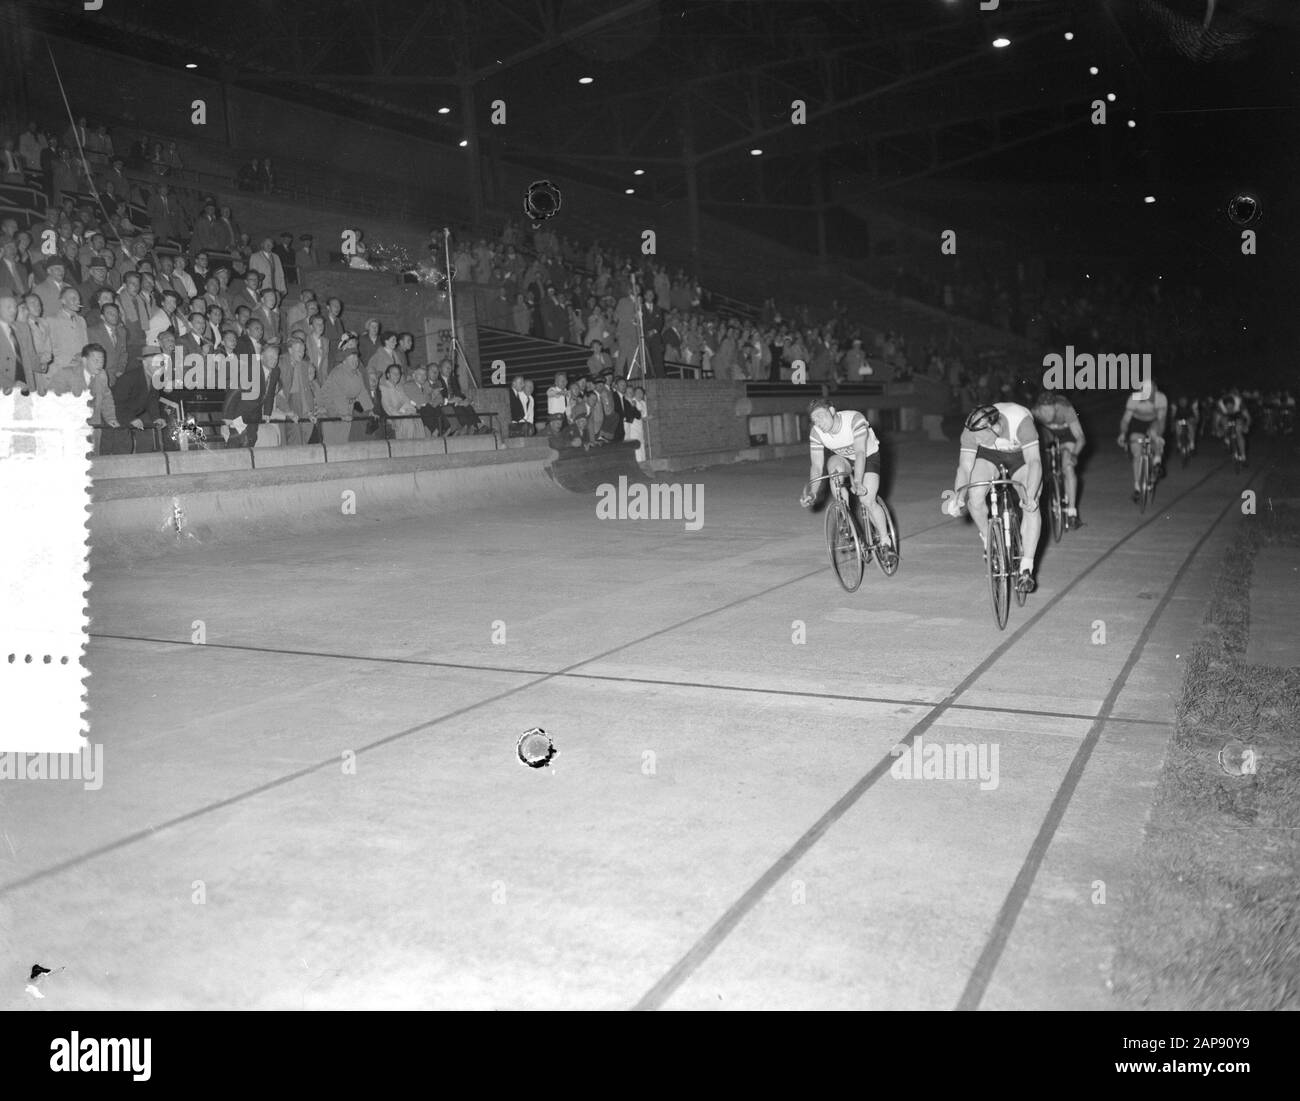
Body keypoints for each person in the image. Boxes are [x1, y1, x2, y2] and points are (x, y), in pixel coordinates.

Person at [942, 401, 1041, 594]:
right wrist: (958, 495)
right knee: (975, 496)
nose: (975, 440)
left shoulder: (1021, 422)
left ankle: (1026, 567)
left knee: (1031, 504)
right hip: (990, 455)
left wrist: (1030, 496)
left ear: (995, 427)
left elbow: (1035, 462)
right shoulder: (973, 427)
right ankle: (989, 540)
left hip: (1021, 456)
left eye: (980, 436)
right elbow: (964, 467)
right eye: (974, 437)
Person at [800, 397, 894, 556]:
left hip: (868, 457)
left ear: (831, 411)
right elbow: (816, 465)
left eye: (821, 417)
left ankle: (885, 541)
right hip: (843, 459)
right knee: (834, 470)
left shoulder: (854, 420)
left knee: (867, 500)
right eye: (815, 420)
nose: (819, 423)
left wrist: (857, 482)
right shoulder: (816, 433)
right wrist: (813, 492)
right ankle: (845, 516)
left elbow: (860, 453)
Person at [1026, 380, 1085, 530]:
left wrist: (1074, 455)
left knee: (1068, 467)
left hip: (1067, 436)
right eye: (1044, 412)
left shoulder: (1065, 409)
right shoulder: (1034, 413)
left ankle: (1072, 513)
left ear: (1056, 407)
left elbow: (1080, 437)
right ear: (1039, 409)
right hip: (1048, 434)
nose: (1047, 415)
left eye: (1051, 411)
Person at [1117, 379, 1169, 500]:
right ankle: (1137, 487)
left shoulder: (1161, 398)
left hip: (1154, 422)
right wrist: (1123, 434)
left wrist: (1159, 437)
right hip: (1137, 424)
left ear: (1155, 390)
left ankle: (1157, 462)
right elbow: (1125, 420)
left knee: (1154, 434)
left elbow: (1161, 421)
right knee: (1137, 454)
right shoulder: (1134, 398)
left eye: (1151, 391)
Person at [1213, 386, 1250, 464]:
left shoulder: (1239, 402)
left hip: (1238, 415)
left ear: (1234, 404)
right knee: (1224, 421)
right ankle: (1226, 437)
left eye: (1231, 407)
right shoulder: (1220, 405)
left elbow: (1248, 417)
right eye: (1228, 408)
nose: (1230, 409)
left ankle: (1243, 456)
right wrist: (1217, 430)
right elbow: (1216, 421)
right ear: (1224, 405)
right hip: (1224, 415)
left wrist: (1246, 426)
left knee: (1239, 431)